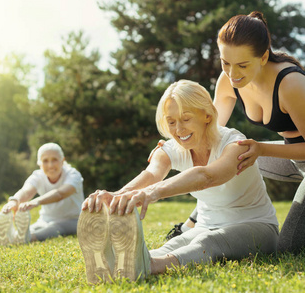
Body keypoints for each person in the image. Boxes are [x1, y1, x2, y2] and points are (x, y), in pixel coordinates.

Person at [168, 11, 305, 251]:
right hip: (292, 156)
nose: (232, 74)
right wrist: (171, 147)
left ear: (263, 57)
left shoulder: (290, 84)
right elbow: (211, 133)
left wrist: (260, 148)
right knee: (232, 153)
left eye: (242, 65)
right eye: (226, 63)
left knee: (290, 248)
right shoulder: (228, 82)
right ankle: (193, 223)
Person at [77, 80, 279, 283]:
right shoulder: (171, 148)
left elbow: (206, 176)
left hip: (258, 227)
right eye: (171, 122)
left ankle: (150, 267)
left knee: (208, 242)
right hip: (207, 225)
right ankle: (119, 263)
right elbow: (152, 174)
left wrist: (153, 193)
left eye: (186, 119)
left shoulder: (235, 144)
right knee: (174, 244)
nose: (179, 129)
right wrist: (117, 196)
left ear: (207, 115)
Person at [0, 142, 84, 245]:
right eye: (45, 161)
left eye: (54, 160)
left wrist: (35, 202)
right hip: (45, 219)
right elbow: (26, 191)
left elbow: (60, 194)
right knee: (34, 228)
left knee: (54, 227)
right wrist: (14, 201)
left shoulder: (73, 175)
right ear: (39, 163)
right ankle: (12, 237)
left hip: (74, 220)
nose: (50, 165)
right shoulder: (37, 176)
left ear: (62, 161)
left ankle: (28, 239)